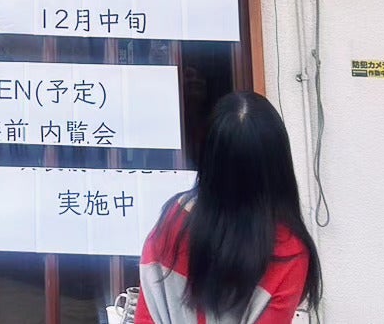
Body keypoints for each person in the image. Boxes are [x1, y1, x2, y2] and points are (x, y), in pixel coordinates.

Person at [134, 91, 322, 324]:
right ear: (278, 165)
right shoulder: (288, 251)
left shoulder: (174, 219)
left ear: (209, 158)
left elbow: (146, 316)